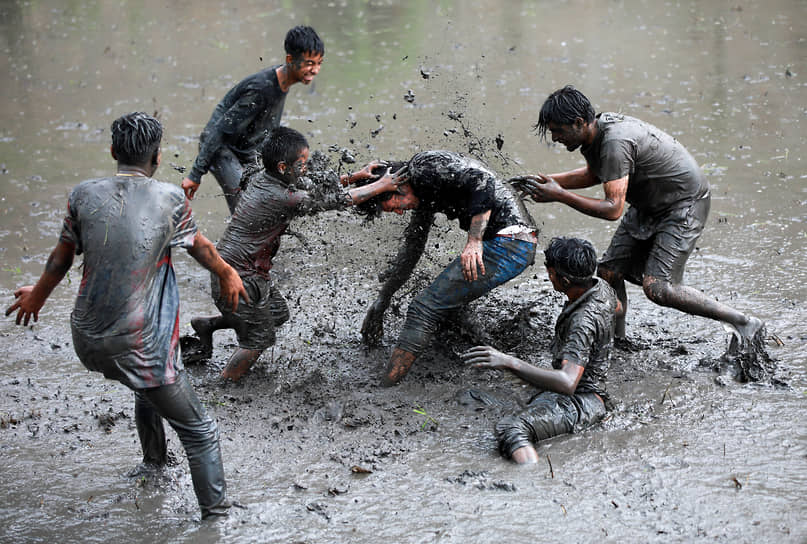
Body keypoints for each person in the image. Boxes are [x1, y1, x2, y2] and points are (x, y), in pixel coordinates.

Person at [5, 112, 248, 519]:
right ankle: (218, 515)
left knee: (147, 385)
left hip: (87, 339)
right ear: (157, 156)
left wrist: (37, 297)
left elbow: (61, 258)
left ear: (114, 151)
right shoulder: (171, 198)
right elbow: (201, 247)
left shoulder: (82, 194)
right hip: (137, 342)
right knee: (201, 431)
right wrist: (226, 271)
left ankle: (153, 464)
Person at [512, 85, 763, 343]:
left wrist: (558, 195)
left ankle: (743, 322)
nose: (554, 139)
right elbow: (595, 174)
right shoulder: (595, 132)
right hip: (650, 203)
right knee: (609, 272)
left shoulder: (614, 143)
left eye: (558, 131)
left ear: (578, 122)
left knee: (659, 288)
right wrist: (544, 181)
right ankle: (616, 341)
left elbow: (613, 209)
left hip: (683, 205)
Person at [189, 127, 407, 381]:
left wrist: (356, 175)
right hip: (237, 278)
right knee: (258, 340)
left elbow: (317, 188)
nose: (305, 169)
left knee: (278, 314)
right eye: (301, 164)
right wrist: (382, 185)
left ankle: (208, 324)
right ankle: (226, 384)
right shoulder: (282, 196)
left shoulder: (269, 177)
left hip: (250, 273)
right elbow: (338, 201)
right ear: (283, 166)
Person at [342, 150, 538, 386]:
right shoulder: (425, 193)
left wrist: (474, 240)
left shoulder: (423, 169)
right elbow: (412, 252)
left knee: (423, 307)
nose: (399, 211)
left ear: (393, 185)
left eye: (391, 205)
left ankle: (386, 386)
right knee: (445, 305)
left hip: (510, 242)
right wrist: (383, 299)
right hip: (514, 241)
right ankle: (484, 357)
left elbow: (482, 181)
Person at [462, 237, 616, 464]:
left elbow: (567, 381)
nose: (548, 275)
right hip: (576, 392)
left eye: (551, 273)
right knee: (470, 396)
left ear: (564, 280)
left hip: (582, 401)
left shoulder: (583, 322)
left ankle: (533, 479)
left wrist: (508, 361)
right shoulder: (600, 287)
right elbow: (618, 308)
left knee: (513, 428)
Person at [181, 25, 325, 213]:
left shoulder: (283, 82)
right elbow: (219, 130)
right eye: (309, 63)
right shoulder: (261, 89)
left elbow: (265, 130)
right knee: (247, 208)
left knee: (274, 198)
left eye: (319, 63)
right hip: (222, 147)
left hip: (246, 149)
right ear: (290, 60)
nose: (315, 70)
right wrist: (195, 174)